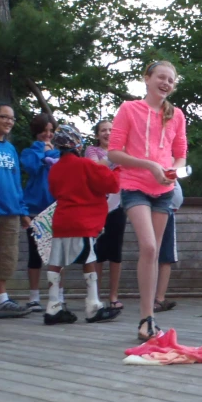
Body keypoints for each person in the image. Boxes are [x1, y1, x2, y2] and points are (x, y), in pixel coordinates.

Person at [108, 61, 188, 341]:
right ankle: (145, 317)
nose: (166, 83)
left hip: (164, 191)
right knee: (149, 246)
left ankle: (148, 320)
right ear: (147, 78)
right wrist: (150, 166)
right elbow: (114, 152)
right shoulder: (129, 109)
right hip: (134, 186)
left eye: (171, 80)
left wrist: (173, 172)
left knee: (154, 253)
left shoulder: (176, 115)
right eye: (161, 77)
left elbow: (181, 154)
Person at [44, 124, 122, 325]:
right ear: (76, 144)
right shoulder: (85, 165)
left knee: (56, 262)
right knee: (89, 260)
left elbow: (53, 191)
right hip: (83, 220)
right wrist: (118, 170)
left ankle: (53, 306)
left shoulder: (55, 169)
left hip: (61, 220)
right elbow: (111, 184)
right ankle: (93, 306)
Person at [21, 113, 60, 311]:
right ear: (37, 132)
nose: (48, 134)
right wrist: (41, 150)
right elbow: (31, 167)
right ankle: (34, 297)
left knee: (58, 253)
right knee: (35, 254)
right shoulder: (29, 151)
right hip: (35, 209)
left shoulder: (59, 153)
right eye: (44, 131)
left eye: (51, 131)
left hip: (56, 209)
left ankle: (57, 295)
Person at [87, 119, 126, 310]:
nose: (107, 133)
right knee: (98, 252)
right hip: (97, 207)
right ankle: (96, 295)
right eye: (103, 130)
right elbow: (96, 170)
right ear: (97, 134)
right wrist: (114, 156)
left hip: (118, 206)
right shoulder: (91, 151)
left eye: (111, 130)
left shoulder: (123, 151)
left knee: (116, 252)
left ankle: (113, 296)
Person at [0, 102, 32, 318]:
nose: (9, 121)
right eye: (4, 117)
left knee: (6, 256)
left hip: (10, 212)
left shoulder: (10, 149)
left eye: (12, 118)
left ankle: (2, 300)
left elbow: (16, 182)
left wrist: (23, 211)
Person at [154, 180, 183, 313]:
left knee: (165, 256)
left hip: (166, 209)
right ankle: (157, 299)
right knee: (161, 256)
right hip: (163, 209)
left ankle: (159, 297)